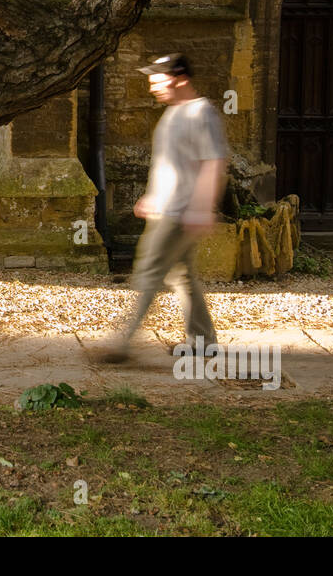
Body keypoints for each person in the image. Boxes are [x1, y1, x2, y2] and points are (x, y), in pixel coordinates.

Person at [93, 53, 230, 364]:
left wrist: (201, 209)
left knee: (148, 273)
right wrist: (152, 196)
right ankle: (204, 342)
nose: (152, 86)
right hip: (166, 208)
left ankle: (121, 344)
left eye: (158, 79)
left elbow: (213, 163)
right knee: (182, 276)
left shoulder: (200, 113)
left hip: (179, 213)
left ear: (180, 78)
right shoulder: (174, 112)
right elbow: (175, 165)